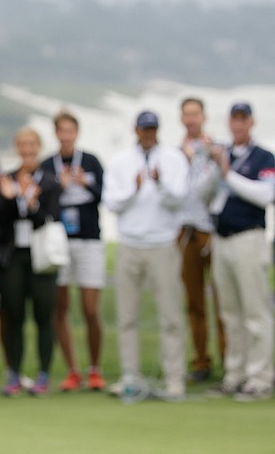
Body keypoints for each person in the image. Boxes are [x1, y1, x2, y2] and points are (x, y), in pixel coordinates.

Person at [103, 111, 188, 402]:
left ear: (158, 129)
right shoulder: (121, 161)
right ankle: (130, 376)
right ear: (136, 129)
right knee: (127, 315)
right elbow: (112, 202)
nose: (148, 133)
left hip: (163, 243)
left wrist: (161, 183)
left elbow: (180, 198)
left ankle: (175, 378)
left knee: (171, 315)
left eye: (152, 128)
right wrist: (135, 188)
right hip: (130, 243)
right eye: (144, 128)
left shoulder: (174, 158)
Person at [203, 103, 275, 402]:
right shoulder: (225, 154)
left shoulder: (264, 157)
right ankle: (235, 374)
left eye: (243, 120)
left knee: (254, 311)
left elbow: (264, 195)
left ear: (251, 123)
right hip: (222, 240)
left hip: (249, 238)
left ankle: (260, 376)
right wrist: (214, 165)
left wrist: (228, 173)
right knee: (230, 312)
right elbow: (202, 195)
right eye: (234, 120)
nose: (238, 125)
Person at [0, 126, 62, 396]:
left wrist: (30, 202)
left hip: (42, 254)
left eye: (32, 144)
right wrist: (12, 199)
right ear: (17, 147)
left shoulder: (49, 180)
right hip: (14, 256)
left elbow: (51, 216)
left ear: (39, 146)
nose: (27, 149)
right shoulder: (7, 178)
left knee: (45, 315)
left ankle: (44, 373)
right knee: (13, 315)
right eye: (22, 144)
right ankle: (14, 374)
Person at [40, 111, 107, 392]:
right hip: (59, 242)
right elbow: (42, 204)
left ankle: (94, 369)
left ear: (76, 133)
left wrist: (85, 182)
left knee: (90, 309)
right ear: (56, 133)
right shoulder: (47, 165)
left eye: (70, 130)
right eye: (61, 131)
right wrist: (59, 187)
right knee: (61, 308)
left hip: (89, 239)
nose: (66, 135)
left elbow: (106, 195)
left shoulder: (90, 161)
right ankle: (73, 370)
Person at [177, 97, 225, 383]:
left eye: (195, 114)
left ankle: (229, 359)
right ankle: (201, 362)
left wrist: (207, 155)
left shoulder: (217, 148)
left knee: (223, 302)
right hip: (187, 232)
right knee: (194, 302)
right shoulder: (175, 152)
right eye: (187, 115)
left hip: (213, 231)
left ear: (204, 116)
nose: (191, 119)